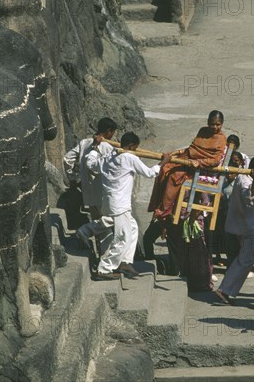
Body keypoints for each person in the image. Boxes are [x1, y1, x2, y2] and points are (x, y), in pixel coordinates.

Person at [148, 110, 227, 291]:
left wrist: (199, 163)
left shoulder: (221, 139)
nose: (214, 127)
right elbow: (191, 150)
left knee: (174, 175)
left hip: (200, 170)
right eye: (212, 123)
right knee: (166, 167)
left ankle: (165, 207)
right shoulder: (202, 131)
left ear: (222, 124)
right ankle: (163, 206)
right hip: (190, 162)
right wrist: (176, 153)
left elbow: (214, 159)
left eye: (217, 124)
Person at [86, 132, 171, 280]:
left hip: (110, 203)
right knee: (122, 237)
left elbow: (90, 164)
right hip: (120, 205)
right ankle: (104, 268)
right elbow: (150, 173)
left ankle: (124, 261)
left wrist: (94, 147)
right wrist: (164, 162)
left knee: (132, 228)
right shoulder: (129, 158)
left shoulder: (107, 157)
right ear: (131, 146)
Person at [214, 156, 254, 304]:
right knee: (247, 259)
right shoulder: (245, 181)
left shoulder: (245, 178)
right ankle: (225, 290)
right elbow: (249, 197)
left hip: (250, 226)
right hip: (248, 227)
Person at [65, 118, 116, 255]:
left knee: (99, 226)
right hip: (104, 194)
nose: (112, 136)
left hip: (88, 193)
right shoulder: (108, 147)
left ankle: (101, 258)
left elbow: (67, 159)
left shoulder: (83, 143)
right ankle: (85, 232)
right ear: (108, 131)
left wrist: (73, 178)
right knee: (107, 224)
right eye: (112, 133)